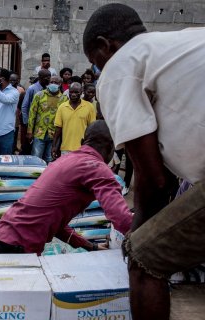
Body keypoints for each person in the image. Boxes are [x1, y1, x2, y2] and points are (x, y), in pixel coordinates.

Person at [84, 5, 205, 319]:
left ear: (104, 45)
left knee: (144, 256)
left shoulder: (121, 66)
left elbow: (153, 180)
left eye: (94, 62)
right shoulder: (183, 44)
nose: (97, 70)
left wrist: (135, 236)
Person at [0, 120, 132, 254]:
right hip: (21, 243)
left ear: (83, 142)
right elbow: (123, 220)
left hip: (5, 234)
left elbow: (55, 222)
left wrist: (91, 247)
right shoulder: (97, 168)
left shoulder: (65, 160)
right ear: (111, 147)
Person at [27, 75, 68, 163]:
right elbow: (32, 113)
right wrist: (29, 131)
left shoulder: (64, 99)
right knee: (36, 157)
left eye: (56, 82)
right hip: (39, 132)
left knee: (50, 159)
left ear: (60, 84)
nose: (53, 84)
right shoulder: (39, 95)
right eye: (51, 82)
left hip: (54, 134)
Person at [52, 82, 95, 158]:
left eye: (76, 92)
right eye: (71, 92)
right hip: (65, 149)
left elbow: (92, 129)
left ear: (81, 92)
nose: (73, 94)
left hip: (83, 150)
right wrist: (54, 146)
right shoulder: (62, 107)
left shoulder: (89, 107)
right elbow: (58, 129)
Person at [21, 69, 53, 155]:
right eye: (46, 77)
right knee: (33, 148)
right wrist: (27, 123)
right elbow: (25, 106)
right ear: (40, 78)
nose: (48, 79)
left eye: (49, 77)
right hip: (33, 122)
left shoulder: (50, 89)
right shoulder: (32, 89)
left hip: (45, 123)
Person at [9, 73, 25, 153]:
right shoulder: (6, 89)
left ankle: (14, 148)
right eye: (10, 80)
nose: (12, 82)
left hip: (16, 114)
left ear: (18, 80)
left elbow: (22, 103)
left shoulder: (21, 90)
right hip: (8, 114)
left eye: (14, 80)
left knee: (15, 132)